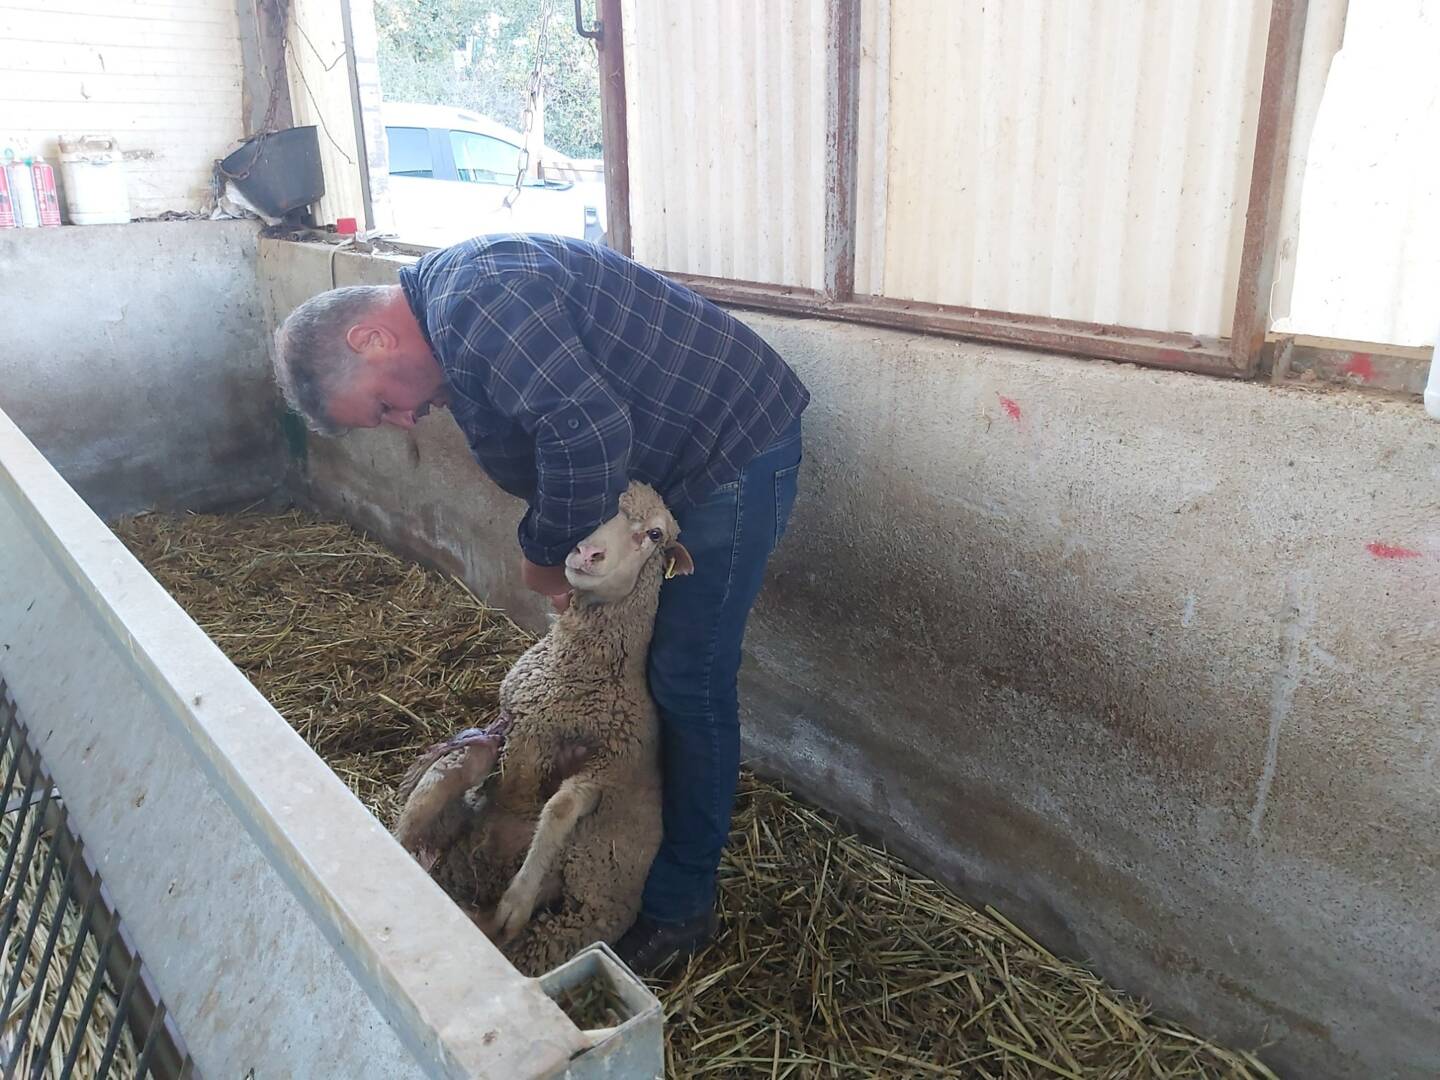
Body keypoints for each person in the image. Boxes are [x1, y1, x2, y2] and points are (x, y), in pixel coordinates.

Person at [271, 233, 808, 971]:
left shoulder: (479, 301)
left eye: (383, 407)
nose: (404, 422)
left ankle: (681, 904)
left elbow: (586, 433)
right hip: (660, 466)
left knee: (689, 674)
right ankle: (624, 842)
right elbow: (557, 438)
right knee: (637, 672)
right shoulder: (454, 340)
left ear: (370, 338)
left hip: (728, 449)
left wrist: (541, 557)